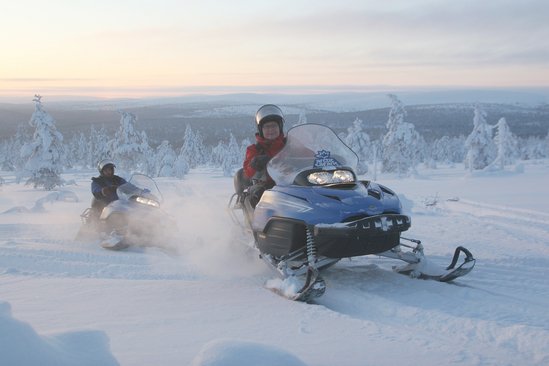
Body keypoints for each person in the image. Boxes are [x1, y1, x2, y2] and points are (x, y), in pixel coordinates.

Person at [243, 104, 286, 207]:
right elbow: (247, 171)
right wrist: (256, 162)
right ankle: (261, 222)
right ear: (261, 129)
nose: (271, 129)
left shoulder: (290, 143)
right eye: (267, 126)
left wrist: (320, 156)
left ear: (279, 127)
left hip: (291, 184)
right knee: (261, 195)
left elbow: (307, 153)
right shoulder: (254, 149)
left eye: (274, 125)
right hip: (266, 187)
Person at [90, 159, 127, 225]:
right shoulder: (97, 181)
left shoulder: (118, 179)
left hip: (119, 205)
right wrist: (106, 190)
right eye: (106, 171)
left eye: (109, 170)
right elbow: (96, 192)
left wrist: (141, 191)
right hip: (104, 205)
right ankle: (100, 228)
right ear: (102, 172)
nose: (108, 172)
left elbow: (128, 186)